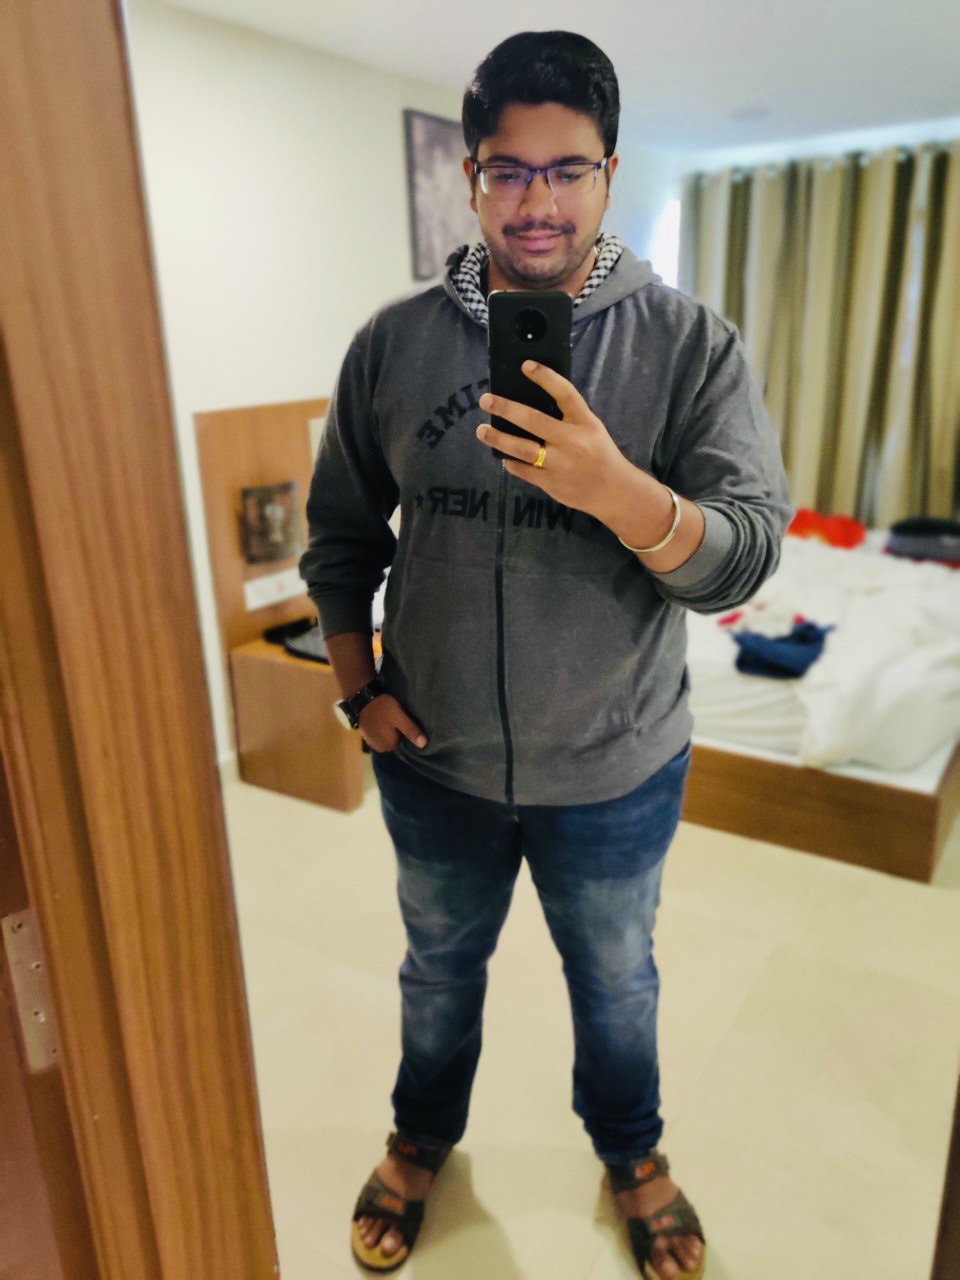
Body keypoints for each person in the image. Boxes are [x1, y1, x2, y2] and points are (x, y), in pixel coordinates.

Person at [299, 29, 792, 1280]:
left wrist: (621, 491)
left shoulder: (691, 347)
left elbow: (744, 557)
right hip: (435, 761)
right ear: (471, 176)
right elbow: (340, 535)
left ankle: (633, 1153)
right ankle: (421, 1136)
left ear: (610, 173)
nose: (538, 202)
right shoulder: (394, 344)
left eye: (567, 170)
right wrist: (357, 688)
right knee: (437, 971)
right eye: (509, 171)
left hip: (618, 768)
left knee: (618, 982)